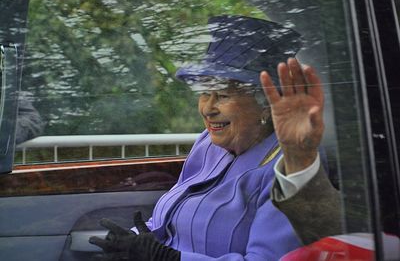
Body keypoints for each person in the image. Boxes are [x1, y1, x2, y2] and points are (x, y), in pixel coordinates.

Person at [89, 15, 341, 261]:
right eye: (204, 93)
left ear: (266, 103)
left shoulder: (292, 166)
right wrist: (133, 240)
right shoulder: (208, 143)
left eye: (222, 96)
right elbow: (169, 219)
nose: (208, 108)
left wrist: (169, 258)